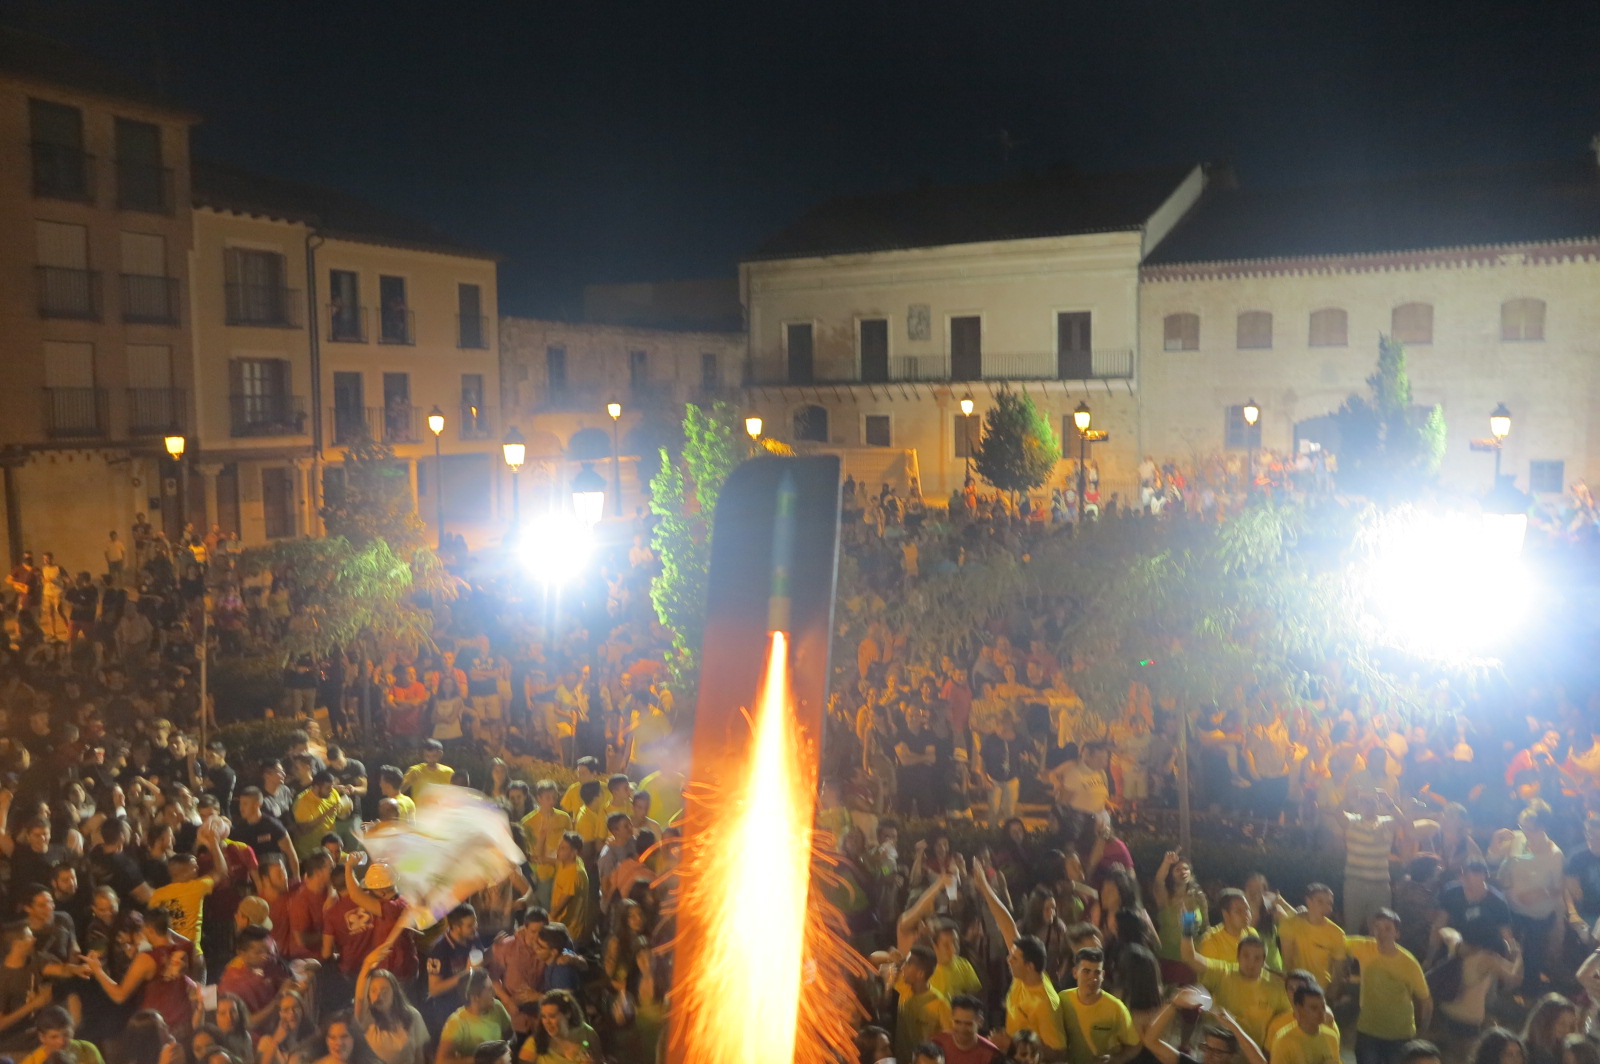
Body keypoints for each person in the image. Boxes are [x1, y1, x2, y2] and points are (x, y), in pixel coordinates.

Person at [972, 853, 1066, 1054]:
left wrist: (1011, 1045)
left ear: (1029, 966)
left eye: (1014, 958)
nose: (1008, 958)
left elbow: (1059, 1052)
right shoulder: (1023, 976)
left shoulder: (1046, 1003)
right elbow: (1007, 926)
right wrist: (985, 888)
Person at [1345, 909, 1432, 1064]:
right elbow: (1334, 939)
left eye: (1387, 928)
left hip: (1399, 1035)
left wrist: (1421, 1033)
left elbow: (1425, 1000)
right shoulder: (1364, 947)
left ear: (1397, 934)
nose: (1381, 932)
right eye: (1377, 927)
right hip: (1368, 1030)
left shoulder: (1409, 963)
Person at [1056, 947, 1140, 1064]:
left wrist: (1116, 1059)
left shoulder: (1116, 1008)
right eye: (1086, 971)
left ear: (1103, 975)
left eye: (1097, 972)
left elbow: (1134, 1045)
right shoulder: (1063, 999)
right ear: (1075, 973)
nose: (1093, 978)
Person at [353, 943, 429, 1064]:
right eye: (373, 991)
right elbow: (359, 999)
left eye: (384, 990)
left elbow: (419, 1056)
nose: (379, 995)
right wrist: (367, 965)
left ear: (395, 992)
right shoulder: (367, 1020)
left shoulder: (413, 1015)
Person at [1276, 884, 1345, 992]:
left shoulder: (1337, 933)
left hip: (1321, 989)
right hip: (1295, 987)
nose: (1326, 908)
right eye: (1320, 902)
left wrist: (1332, 992)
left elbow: (1339, 969)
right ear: (1308, 901)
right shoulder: (1290, 924)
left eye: (1329, 903)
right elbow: (1287, 962)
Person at [435, 969, 510, 1064]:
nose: (495, 992)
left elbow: (508, 1036)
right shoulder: (456, 1022)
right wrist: (480, 1060)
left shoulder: (497, 1008)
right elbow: (441, 1061)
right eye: (489, 989)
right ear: (475, 997)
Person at [894, 944, 952, 1064]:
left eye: (908, 964)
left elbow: (949, 1042)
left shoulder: (940, 1004)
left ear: (920, 974)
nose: (902, 968)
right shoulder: (903, 988)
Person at [526, 989, 597, 1064]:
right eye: (543, 1017)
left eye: (552, 1016)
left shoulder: (587, 1033)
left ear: (568, 1014)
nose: (547, 1022)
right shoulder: (534, 1043)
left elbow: (598, 1060)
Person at [19, 1005, 106, 1064]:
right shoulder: (31, 1062)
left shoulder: (87, 1051)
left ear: (73, 1030)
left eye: (66, 1034)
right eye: (54, 1037)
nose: (61, 1042)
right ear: (42, 1037)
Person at [931, 994, 1003, 1064]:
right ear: (951, 1019)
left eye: (968, 1024)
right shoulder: (937, 1044)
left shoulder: (990, 1053)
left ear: (980, 1022)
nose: (962, 1029)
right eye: (957, 1022)